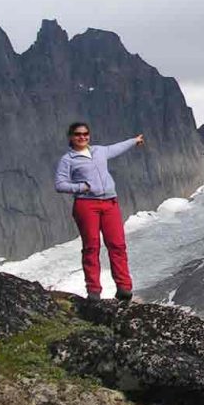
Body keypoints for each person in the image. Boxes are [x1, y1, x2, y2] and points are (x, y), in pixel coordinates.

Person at [54, 121, 145, 302]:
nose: (82, 137)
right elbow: (60, 184)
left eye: (85, 133)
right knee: (91, 247)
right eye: (78, 134)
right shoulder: (68, 159)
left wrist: (134, 141)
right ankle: (94, 291)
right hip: (86, 204)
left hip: (110, 203)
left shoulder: (99, 151)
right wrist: (82, 187)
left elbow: (116, 148)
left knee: (117, 244)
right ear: (71, 137)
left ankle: (124, 288)